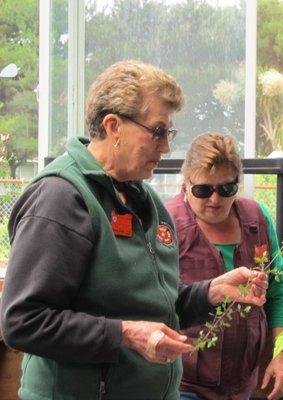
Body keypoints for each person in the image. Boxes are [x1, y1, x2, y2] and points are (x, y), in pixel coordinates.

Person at [0, 60, 268, 400]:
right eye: (157, 132)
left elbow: (155, 308)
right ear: (113, 126)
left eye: (168, 133)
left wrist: (210, 293)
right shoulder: (61, 199)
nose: (166, 147)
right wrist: (124, 334)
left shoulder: (146, 201)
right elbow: (22, 321)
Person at [165, 132, 283, 400]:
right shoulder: (167, 224)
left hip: (241, 383)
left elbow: (277, 293)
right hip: (184, 384)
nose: (215, 199)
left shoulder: (256, 218)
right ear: (185, 184)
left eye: (226, 189)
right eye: (203, 190)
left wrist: (281, 353)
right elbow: (155, 301)